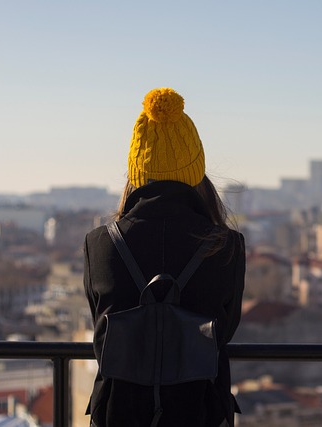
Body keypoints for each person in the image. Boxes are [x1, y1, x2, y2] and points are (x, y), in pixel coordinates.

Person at [83, 87, 245, 427]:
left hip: (118, 415)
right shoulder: (225, 246)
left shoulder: (100, 244)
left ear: (135, 171)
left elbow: (101, 331)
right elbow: (224, 331)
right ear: (196, 172)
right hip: (200, 412)